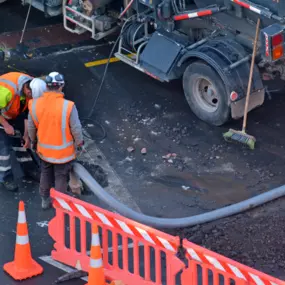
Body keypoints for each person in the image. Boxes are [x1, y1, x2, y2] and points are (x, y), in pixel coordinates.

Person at [28, 72, 84, 210]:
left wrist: (33, 141)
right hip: (63, 153)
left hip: (44, 151)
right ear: (62, 86)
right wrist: (79, 143)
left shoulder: (34, 105)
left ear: (46, 86)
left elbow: (31, 127)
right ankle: (60, 204)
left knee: (45, 173)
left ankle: (44, 200)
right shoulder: (68, 106)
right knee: (61, 176)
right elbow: (76, 128)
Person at [0, 72, 34, 191]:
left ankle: (30, 170)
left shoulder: (32, 86)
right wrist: (6, 125)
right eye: (29, 94)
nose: (31, 96)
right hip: (2, 116)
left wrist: (26, 135)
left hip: (13, 113)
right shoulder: (6, 91)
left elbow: (26, 113)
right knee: (4, 148)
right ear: (25, 88)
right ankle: (5, 178)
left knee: (21, 142)